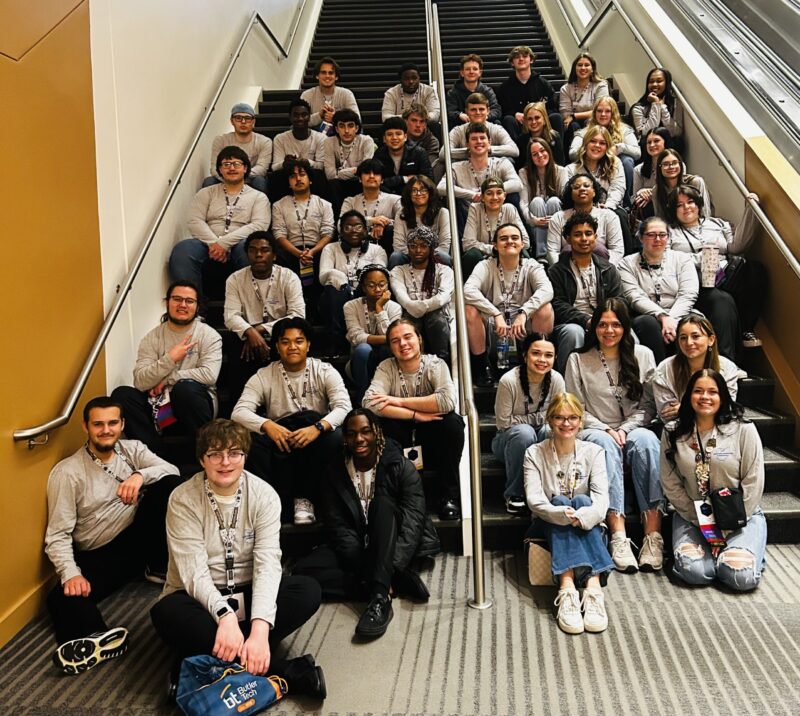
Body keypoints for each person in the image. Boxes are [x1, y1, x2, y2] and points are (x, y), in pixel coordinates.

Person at [150, 419, 326, 698]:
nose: (225, 462)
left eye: (234, 453)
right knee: (165, 612)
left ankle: (202, 664)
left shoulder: (264, 496)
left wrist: (258, 629)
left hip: (249, 591)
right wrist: (225, 617)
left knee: (307, 590)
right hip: (200, 599)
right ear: (201, 459)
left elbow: (268, 564)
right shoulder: (182, 498)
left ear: (245, 456)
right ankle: (287, 672)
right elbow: (193, 573)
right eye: (215, 454)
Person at [46, 397, 181, 674]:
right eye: (98, 424)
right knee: (60, 596)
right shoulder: (68, 473)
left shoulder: (131, 449)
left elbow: (172, 471)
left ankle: (157, 565)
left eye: (112, 423)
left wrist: (139, 476)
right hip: (101, 552)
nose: (105, 430)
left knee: (169, 486)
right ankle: (97, 638)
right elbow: (58, 534)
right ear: (86, 426)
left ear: (121, 425)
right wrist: (70, 572)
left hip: (138, 536)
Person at [294, 408, 440, 638]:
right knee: (303, 572)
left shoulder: (399, 466)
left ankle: (380, 600)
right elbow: (338, 526)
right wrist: (374, 568)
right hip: (356, 544)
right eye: (352, 434)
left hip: (392, 540)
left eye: (365, 432)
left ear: (377, 434)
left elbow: (413, 522)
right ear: (345, 439)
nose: (359, 439)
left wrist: (392, 563)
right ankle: (386, 584)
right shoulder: (334, 472)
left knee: (381, 505)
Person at [565, 298, 663, 574]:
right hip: (594, 429)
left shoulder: (642, 355)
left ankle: (652, 535)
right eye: (603, 324)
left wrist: (624, 429)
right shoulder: (578, 359)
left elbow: (648, 405)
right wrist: (607, 429)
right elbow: (575, 407)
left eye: (616, 324)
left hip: (633, 427)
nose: (609, 330)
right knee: (604, 445)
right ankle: (618, 534)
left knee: (647, 441)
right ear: (594, 327)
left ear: (625, 327)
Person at [231, 317, 351, 525]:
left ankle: (310, 500)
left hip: (313, 437)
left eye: (299, 341)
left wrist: (317, 428)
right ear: (277, 346)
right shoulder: (264, 375)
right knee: (250, 442)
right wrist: (268, 425)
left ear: (308, 345)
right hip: (280, 438)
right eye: (285, 342)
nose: (292, 347)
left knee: (335, 437)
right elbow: (239, 412)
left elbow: (344, 407)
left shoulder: (324, 370)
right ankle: (275, 503)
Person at [661, 369, 766, 590]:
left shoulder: (743, 430)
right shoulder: (672, 431)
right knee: (695, 572)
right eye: (698, 391)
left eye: (712, 392)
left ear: (723, 396)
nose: (705, 397)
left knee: (740, 577)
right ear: (689, 396)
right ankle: (723, 555)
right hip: (691, 515)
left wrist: (724, 531)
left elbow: (753, 482)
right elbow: (670, 483)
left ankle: (736, 553)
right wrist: (707, 528)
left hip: (739, 517)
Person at [524, 393, 614, 634]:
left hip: (587, 522)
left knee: (584, 500)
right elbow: (535, 501)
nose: (566, 423)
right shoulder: (534, 453)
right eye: (560, 417)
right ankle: (568, 590)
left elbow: (602, 499)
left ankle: (592, 591)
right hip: (545, 523)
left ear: (581, 420)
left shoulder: (594, 452)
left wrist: (583, 516)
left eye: (572, 417)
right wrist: (564, 513)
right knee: (562, 500)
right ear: (550, 420)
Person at [363, 318, 465, 520]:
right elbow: (370, 403)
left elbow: (446, 402)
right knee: (380, 424)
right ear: (390, 347)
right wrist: (416, 415)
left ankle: (448, 496)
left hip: (431, 438)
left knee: (452, 423)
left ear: (419, 339)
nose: (403, 344)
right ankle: (397, 499)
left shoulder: (435, 364)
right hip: (400, 434)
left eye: (408, 337)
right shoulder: (386, 367)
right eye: (395, 340)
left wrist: (397, 401)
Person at [111, 281, 222, 455]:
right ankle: (154, 454)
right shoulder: (152, 337)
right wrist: (170, 358)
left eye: (189, 301)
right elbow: (140, 381)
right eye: (177, 299)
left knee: (184, 388)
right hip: (156, 408)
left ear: (197, 306)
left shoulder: (209, 335)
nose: (182, 305)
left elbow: (209, 375)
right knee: (122, 395)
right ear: (167, 302)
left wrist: (168, 379)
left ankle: (205, 452)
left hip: (192, 406)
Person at [667, 185, 765, 350]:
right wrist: (703, 257)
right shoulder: (671, 231)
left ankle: (746, 330)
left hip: (724, 273)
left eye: (690, 202)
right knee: (722, 300)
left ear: (698, 205)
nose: (686, 208)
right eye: (679, 205)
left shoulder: (717, 223)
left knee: (756, 270)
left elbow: (735, 247)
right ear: (674, 210)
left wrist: (752, 209)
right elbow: (669, 258)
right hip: (696, 279)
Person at [169, 147, 270, 294]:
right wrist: (214, 244)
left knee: (249, 248)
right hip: (207, 243)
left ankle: (248, 303)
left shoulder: (258, 197)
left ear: (245, 168)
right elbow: (194, 220)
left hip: (240, 243)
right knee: (183, 250)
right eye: (226, 164)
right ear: (220, 170)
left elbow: (259, 225)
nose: (231, 168)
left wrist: (224, 243)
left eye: (236, 164)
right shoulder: (206, 193)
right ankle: (196, 307)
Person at [464, 223, 554, 385]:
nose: (509, 242)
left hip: (523, 325)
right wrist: (495, 313)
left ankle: (535, 361)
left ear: (522, 244)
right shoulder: (486, 265)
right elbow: (468, 291)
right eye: (503, 238)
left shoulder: (531, 265)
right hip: (494, 325)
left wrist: (524, 312)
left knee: (545, 308)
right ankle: (482, 367)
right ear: (495, 246)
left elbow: (547, 290)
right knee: (470, 310)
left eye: (514, 238)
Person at [223, 231, 305, 395]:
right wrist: (249, 331)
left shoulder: (289, 277)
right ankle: (240, 403)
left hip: (279, 333)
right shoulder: (235, 279)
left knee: (290, 337)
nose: (258, 254)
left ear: (274, 255)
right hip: (247, 340)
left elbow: (298, 315)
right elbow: (230, 316)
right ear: (247, 255)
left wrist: (259, 329)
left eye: (265, 250)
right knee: (233, 339)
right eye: (253, 250)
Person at [492, 334, 565, 514]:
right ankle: (515, 494)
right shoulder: (509, 381)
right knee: (525, 433)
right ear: (525, 355)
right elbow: (504, 422)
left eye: (548, 355)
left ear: (555, 358)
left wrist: (538, 420)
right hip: (509, 441)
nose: (542, 360)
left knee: (552, 430)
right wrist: (540, 417)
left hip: (541, 435)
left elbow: (560, 416)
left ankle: (551, 490)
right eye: (536, 353)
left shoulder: (556, 380)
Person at [549, 213, 625, 374]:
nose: (584, 239)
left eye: (588, 234)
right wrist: (587, 320)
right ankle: (568, 390)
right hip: (572, 323)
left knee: (632, 337)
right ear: (568, 239)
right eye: (577, 234)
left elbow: (619, 300)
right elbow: (558, 305)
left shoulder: (608, 268)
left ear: (595, 237)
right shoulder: (556, 271)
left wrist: (604, 321)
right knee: (573, 333)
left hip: (605, 321)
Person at [618, 217, 700, 364]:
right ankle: (659, 376)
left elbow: (688, 294)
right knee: (648, 324)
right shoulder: (626, 263)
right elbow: (634, 296)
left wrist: (671, 320)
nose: (657, 239)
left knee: (697, 323)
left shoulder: (682, 259)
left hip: (679, 312)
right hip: (645, 315)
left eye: (662, 235)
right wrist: (662, 316)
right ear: (641, 238)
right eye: (651, 235)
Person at [319, 210, 388, 354]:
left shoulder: (377, 250)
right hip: (339, 294)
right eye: (347, 227)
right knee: (331, 291)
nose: (353, 231)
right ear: (341, 231)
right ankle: (335, 343)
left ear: (365, 229)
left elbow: (380, 274)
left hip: (365, 294)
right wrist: (341, 280)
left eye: (358, 226)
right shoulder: (330, 248)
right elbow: (323, 276)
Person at [271, 158, 335, 312]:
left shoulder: (324, 204)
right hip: (291, 250)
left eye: (302, 174)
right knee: (279, 259)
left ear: (310, 180)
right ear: (288, 182)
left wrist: (311, 252)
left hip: (317, 250)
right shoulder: (279, 205)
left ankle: (316, 310)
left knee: (325, 258)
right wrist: (299, 253)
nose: (298, 179)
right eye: (293, 176)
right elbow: (279, 234)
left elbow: (328, 232)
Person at [653, 313, 740, 427]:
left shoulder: (728, 367)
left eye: (695, 336)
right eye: (683, 338)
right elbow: (667, 414)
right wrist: (706, 407)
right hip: (679, 431)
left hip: (718, 429)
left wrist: (684, 407)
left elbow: (726, 409)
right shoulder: (664, 369)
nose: (689, 343)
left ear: (711, 340)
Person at [437, 123, 522, 233]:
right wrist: (471, 194)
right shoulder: (456, 167)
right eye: (474, 139)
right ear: (467, 144)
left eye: (482, 138)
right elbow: (441, 187)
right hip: (468, 219)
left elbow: (517, 184)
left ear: (489, 142)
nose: (479, 142)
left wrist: (489, 191)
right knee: (453, 201)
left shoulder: (501, 163)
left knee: (512, 196)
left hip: (498, 217)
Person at [389, 226, 454, 361]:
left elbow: (442, 299)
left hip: (438, 315)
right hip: (409, 313)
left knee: (435, 318)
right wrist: (416, 308)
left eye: (423, 246)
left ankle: (443, 363)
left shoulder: (444, 270)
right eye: (413, 246)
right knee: (407, 322)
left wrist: (421, 307)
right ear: (408, 248)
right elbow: (402, 297)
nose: (418, 250)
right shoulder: (398, 271)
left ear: (431, 249)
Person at [344, 265, 403, 399]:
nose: (377, 289)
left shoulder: (395, 308)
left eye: (382, 285)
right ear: (363, 287)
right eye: (371, 285)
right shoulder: (350, 306)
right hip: (359, 362)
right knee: (363, 349)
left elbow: (391, 338)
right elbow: (355, 337)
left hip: (386, 357)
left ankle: (387, 394)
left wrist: (379, 308)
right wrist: (387, 338)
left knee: (385, 349)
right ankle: (362, 398)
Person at [569, 97, 640, 202]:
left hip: (613, 168)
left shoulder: (624, 130)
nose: (603, 114)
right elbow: (572, 154)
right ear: (594, 113)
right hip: (590, 168)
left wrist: (618, 148)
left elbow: (637, 152)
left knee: (627, 161)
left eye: (607, 111)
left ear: (613, 113)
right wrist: (590, 150)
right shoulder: (584, 132)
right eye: (599, 111)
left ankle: (626, 202)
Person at [547, 172, 624, 266]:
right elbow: (552, 252)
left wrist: (605, 271)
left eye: (586, 186)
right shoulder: (558, 218)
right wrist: (562, 272)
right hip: (567, 270)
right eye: (576, 187)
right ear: (571, 193)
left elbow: (617, 251)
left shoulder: (609, 216)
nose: (582, 189)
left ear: (594, 192)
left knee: (598, 248)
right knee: (568, 249)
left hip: (602, 269)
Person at [462, 177, 528, 277]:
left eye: (499, 193)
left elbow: (525, 242)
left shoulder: (509, 208)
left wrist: (502, 249)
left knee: (524, 253)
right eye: (489, 193)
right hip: (482, 257)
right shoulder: (475, 209)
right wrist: (494, 249)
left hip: (507, 256)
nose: (495, 197)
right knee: (472, 255)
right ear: (482, 197)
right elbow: (467, 244)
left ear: (505, 195)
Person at [496, 45, 561, 142]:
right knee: (508, 120)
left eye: (525, 56)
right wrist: (514, 114)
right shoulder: (505, 87)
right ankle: (516, 155)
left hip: (540, 122)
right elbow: (502, 111)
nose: (521, 59)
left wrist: (541, 115)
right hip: (518, 124)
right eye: (517, 57)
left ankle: (558, 155)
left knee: (556, 117)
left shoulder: (543, 84)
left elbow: (553, 107)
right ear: (512, 63)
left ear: (531, 60)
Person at [518, 137, 570, 258]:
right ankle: (542, 255)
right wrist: (533, 220)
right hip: (535, 220)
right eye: (535, 154)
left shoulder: (561, 171)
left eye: (542, 151)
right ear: (531, 158)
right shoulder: (523, 173)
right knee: (537, 201)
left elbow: (566, 201)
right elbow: (523, 203)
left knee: (554, 201)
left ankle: (557, 250)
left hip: (558, 220)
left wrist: (556, 219)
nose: (540, 155)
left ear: (548, 151)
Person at [204, 103, 270, 193]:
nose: (243, 122)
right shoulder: (221, 140)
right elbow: (214, 168)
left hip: (250, 179)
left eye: (247, 118)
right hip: (225, 178)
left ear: (253, 121)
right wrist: (230, 178)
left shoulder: (264, 141)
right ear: (232, 121)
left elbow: (262, 168)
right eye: (238, 118)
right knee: (209, 181)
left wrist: (238, 176)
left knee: (260, 181)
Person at [271, 98, 326, 200]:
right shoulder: (280, 138)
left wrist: (307, 162)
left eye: (304, 115)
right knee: (276, 176)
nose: (300, 118)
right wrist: (284, 163)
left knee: (321, 175)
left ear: (309, 117)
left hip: (311, 176)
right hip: (288, 175)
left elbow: (321, 165)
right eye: (296, 115)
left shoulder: (320, 138)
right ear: (290, 118)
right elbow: (274, 167)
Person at [391, 174, 451, 267]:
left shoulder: (442, 213)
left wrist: (424, 255)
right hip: (409, 256)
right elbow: (398, 246)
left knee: (443, 257)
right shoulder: (401, 213)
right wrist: (416, 254)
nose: (418, 194)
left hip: (434, 256)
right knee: (396, 257)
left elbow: (444, 246)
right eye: (414, 190)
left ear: (430, 192)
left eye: (423, 190)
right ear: (409, 194)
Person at [322, 108, 376, 212]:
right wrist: (355, 170)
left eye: (350, 126)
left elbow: (365, 171)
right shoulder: (329, 142)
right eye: (342, 126)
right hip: (340, 184)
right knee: (332, 184)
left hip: (359, 182)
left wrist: (340, 172)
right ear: (336, 129)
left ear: (356, 128)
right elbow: (329, 175)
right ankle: (339, 220)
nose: (346, 131)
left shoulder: (366, 141)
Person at [341, 159, 402, 248]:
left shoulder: (395, 200)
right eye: (367, 173)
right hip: (355, 247)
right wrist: (371, 220)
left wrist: (383, 224)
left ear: (382, 180)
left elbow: (405, 223)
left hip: (385, 246)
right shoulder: (350, 201)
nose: (372, 176)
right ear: (359, 179)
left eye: (376, 173)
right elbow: (340, 226)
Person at [445, 93, 518, 161]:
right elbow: (443, 153)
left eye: (481, 109)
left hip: (492, 170)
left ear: (488, 111)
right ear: (466, 112)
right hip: (465, 168)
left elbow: (514, 150)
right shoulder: (457, 131)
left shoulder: (497, 129)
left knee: (509, 160)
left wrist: (487, 149)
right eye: (473, 110)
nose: (477, 113)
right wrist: (472, 151)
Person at [559, 52, 609, 148]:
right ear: (575, 68)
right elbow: (565, 114)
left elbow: (601, 111)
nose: (583, 68)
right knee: (573, 126)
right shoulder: (566, 88)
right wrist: (572, 118)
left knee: (590, 122)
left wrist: (574, 116)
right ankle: (575, 153)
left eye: (587, 65)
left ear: (592, 69)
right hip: (573, 125)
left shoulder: (601, 85)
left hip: (595, 121)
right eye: (579, 65)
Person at [373, 117, 434, 195]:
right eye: (389, 134)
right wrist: (403, 179)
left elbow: (428, 181)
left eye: (398, 134)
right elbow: (376, 182)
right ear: (384, 139)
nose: (394, 138)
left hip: (413, 197)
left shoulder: (419, 153)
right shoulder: (379, 154)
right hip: (387, 198)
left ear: (405, 137)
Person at [570, 126, 626, 211]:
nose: (597, 145)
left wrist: (608, 206)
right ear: (585, 144)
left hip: (609, 210)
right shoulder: (571, 169)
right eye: (592, 141)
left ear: (607, 147)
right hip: (580, 212)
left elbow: (618, 188)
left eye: (602, 143)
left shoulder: (615, 163)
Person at [300, 56, 360, 131]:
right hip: (315, 137)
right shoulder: (307, 95)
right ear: (317, 76)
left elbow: (357, 118)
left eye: (331, 73)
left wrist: (336, 117)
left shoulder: (347, 94)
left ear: (336, 77)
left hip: (340, 134)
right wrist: (319, 115)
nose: (327, 76)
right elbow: (300, 121)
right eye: (323, 72)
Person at [629, 68, 684, 149]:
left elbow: (676, 132)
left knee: (679, 142)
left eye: (659, 81)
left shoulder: (675, 103)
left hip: (669, 148)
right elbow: (646, 133)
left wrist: (662, 108)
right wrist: (656, 105)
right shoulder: (638, 108)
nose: (654, 84)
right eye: (651, 82)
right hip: (648, 149)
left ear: (667, 83)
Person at [652, 147, 711, 220]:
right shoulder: (656, 190)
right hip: (672, 228)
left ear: (680, 165)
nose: (671, 167)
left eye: (674, 163)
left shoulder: (695, 182)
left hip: (697, 225)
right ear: (659, 168)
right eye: (666, 164)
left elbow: (704, 212)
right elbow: (660, 219)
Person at [445, 53, 501, 126]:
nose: (471, 72)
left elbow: (496, 110)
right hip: (462, 125)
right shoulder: (453, 93)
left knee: (497, 123)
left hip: (484, 125)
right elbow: (449, 111)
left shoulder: (487, 91)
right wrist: (459, 115)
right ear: (462, 73)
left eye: (475, 69)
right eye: (468, 69)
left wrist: (484, 117)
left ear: (480, 72)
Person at [382, 63, 441, 128]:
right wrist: (409, 118)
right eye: (406, 78)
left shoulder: (429, 91)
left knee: (435, 126)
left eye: (414, 78)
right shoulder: (391, 93)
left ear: (419, 79)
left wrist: (416, 119)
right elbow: (385, 117)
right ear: (400, 80)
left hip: (422, 127)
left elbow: (435, 114)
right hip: (400, 128)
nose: (411, 81)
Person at [631, 127, 671, 216]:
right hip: (649, 210)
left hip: (669, 205)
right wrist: (640, 193)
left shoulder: (676, 165)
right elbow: (634, 198)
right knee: (644, 203)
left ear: (665, 142)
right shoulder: (638, 169)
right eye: (649, 142)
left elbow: (676, 191)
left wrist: (652, 193)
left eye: (656, 141)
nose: (652, 145)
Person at [514, 101, 565, 169]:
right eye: (529, 119)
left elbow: (560, 164)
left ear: (544, 119)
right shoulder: (521, 141)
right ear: (525, 121)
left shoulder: (554, 137)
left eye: (537, 118)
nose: (533, 122)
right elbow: (520, 167)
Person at [403, 104, 441, 170]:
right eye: (414, 120)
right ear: (405, 121)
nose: (418, 125)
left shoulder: (432, 141)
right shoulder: (398, 138)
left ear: (426, 124)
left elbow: (428, 167)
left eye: (422, 121)